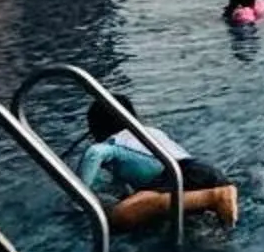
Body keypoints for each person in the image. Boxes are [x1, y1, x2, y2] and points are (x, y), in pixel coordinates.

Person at [79, 94, 239, 230]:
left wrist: (79, 196)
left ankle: (212, 197)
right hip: (201, 171)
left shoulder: (112, 143)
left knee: (120, 216)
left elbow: (94, 153)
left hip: (172, 176)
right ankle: (214, 204)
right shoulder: (150, 132)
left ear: (96, 129)